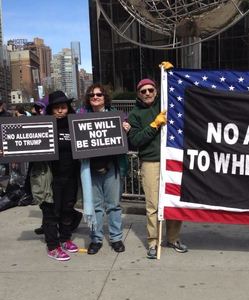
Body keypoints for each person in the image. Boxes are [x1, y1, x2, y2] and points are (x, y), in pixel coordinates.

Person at [127, 78, 188, 259]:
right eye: (143, 91)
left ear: (156, 91)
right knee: (152, 205)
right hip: (150, 162)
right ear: (138, 94)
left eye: (150, 90)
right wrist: (154, 125)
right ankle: (153, 242)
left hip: (171, 160)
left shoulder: (166, 104)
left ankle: (173, 238)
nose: (147, 93)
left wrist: (170, 76)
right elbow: (136, 140)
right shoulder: (134, 115)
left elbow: (180, 93)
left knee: (174, 201)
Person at [80, 84, 130, 255]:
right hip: (90, 169)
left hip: (112, 168)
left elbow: (127, 139)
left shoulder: (117, 116)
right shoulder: (80, 117)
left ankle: (116, 238)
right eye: (92, 95)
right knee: (96, 207)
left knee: (114, 205)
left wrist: (126, 129)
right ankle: (96, 238)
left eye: (99, 94)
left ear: (104, 97)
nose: (95, 97)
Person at [31, 90, 80, 261]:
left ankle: (65, 239)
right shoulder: (40, 125)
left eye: (63, 107)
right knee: (50, 212)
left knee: (67, 209)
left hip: (70, 176)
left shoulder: (75, 125)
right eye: (56, 108)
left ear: (68, 108)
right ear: (50, 110)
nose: (60, 110)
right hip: (49, 178)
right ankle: (52, 246)